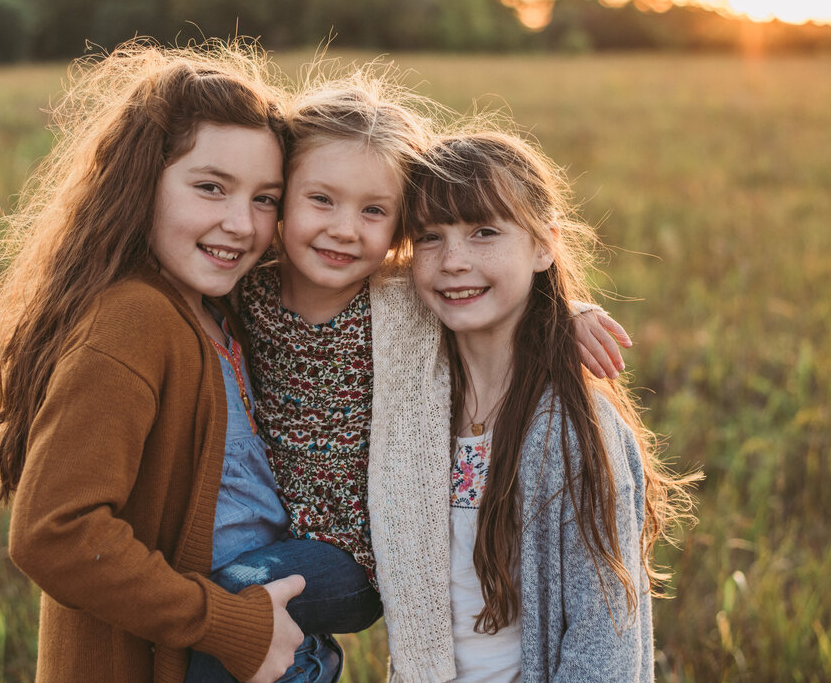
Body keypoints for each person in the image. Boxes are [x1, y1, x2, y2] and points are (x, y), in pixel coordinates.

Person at [190, 71, 634, 683]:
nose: (345, 228)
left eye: (374, 211)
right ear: (281, 198)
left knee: (224, 605)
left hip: (356, 560)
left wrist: (567, 313)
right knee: (189, 600)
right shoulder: (247, 284)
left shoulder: (403, 303)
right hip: (266, 531)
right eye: (321, 199)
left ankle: (306, 667)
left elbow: (485, 284)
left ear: (396, 229)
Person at [0, 41, 310, 683]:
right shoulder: (135, 319)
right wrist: (228, 625)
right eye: (211, 188)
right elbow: (53, 532)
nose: (241, 223)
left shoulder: (219, 311)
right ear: (139, 184)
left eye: (266, 198)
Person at [370, 131, 696, 683]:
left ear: (545, 245)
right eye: (429, 236)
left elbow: (604, 641)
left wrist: (562, 307)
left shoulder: (569, 428)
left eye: (484, 233)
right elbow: (330, 264)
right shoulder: (412, 392)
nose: (453, 261)